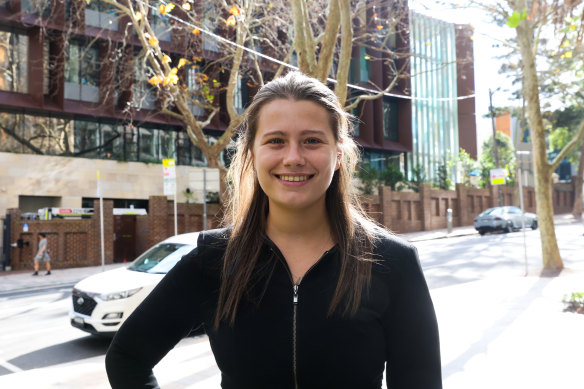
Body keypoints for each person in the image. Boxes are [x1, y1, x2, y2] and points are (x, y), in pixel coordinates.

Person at [106, 72, 442, 389]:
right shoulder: (214, 261)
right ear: (252, 153)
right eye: (276, 141)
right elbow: (127, 357)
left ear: (338, 155)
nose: (293, 157)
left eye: (311, 140)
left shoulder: (392, 263)